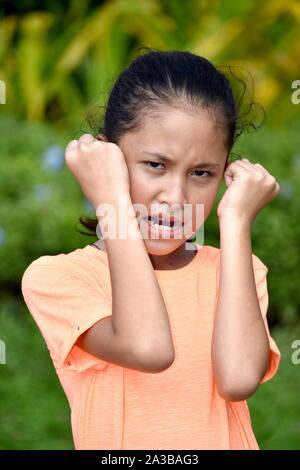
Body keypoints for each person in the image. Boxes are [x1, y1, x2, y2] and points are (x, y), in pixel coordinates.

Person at [21, 48, 281, 450]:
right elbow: (147, 347)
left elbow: (238, 380)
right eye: (155, 165)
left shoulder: (239, 271)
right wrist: (111, 201)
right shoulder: (59, 278)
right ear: (109, 158)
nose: (174, 197)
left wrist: (235, 222)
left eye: (201, 173)